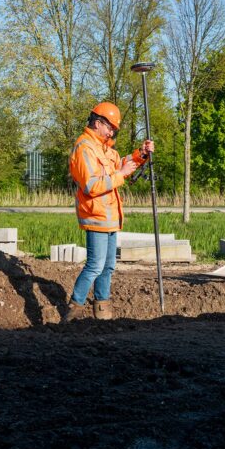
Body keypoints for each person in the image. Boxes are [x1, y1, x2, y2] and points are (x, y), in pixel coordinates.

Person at [66, 102, 154, 321]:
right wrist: (121, 174)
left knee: (108, 266)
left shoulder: (104, 148)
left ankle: (102, 309)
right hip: (95, 216)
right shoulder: (84, 147)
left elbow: (120, 165)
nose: (112, 132)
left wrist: (140, 154)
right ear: (98, 123)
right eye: (110, 127)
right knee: (95, 265)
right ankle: (74, 309)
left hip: (110, 217)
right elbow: (91, 185)